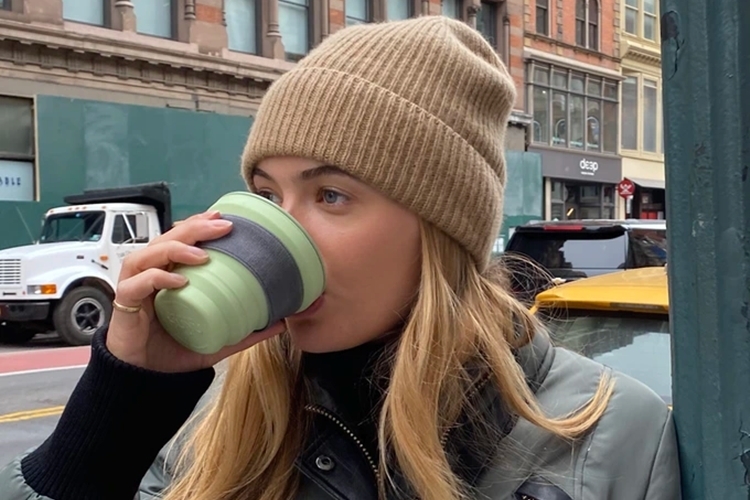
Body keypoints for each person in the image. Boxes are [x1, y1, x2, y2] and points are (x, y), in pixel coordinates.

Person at [0, 16, 681, 500]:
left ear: (439, 230)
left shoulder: (612, 433)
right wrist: (120, 402)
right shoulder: (215, 419)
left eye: (330, 194)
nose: (275, 231)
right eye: (267, 194)